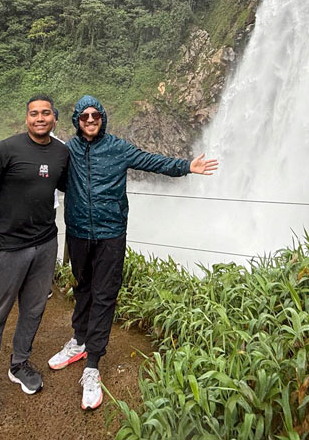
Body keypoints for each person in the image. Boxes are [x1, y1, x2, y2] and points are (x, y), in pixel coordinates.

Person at [47, 95, 217, 411]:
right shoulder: (67, 151)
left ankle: (93, 364)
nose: (90, 120)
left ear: (103, 117)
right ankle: (79, 341)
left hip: (111, 233)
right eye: (84, 117)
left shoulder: (118, 148)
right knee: (82, 288)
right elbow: (43, 175)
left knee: (104, 294)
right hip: (80, 234)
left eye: (95, 114)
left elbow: (153, 161)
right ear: (76, 121)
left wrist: (187, 167)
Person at [0, 95, 69, 431]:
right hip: (7, 247)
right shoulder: (6, 149)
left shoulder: (61, 152)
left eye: (45, 113)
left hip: (46, 244)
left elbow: (67, 185)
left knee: (33, 311)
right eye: (33, 113)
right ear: (26, 118)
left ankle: (19, 364)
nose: (39, 118)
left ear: (54, 118)